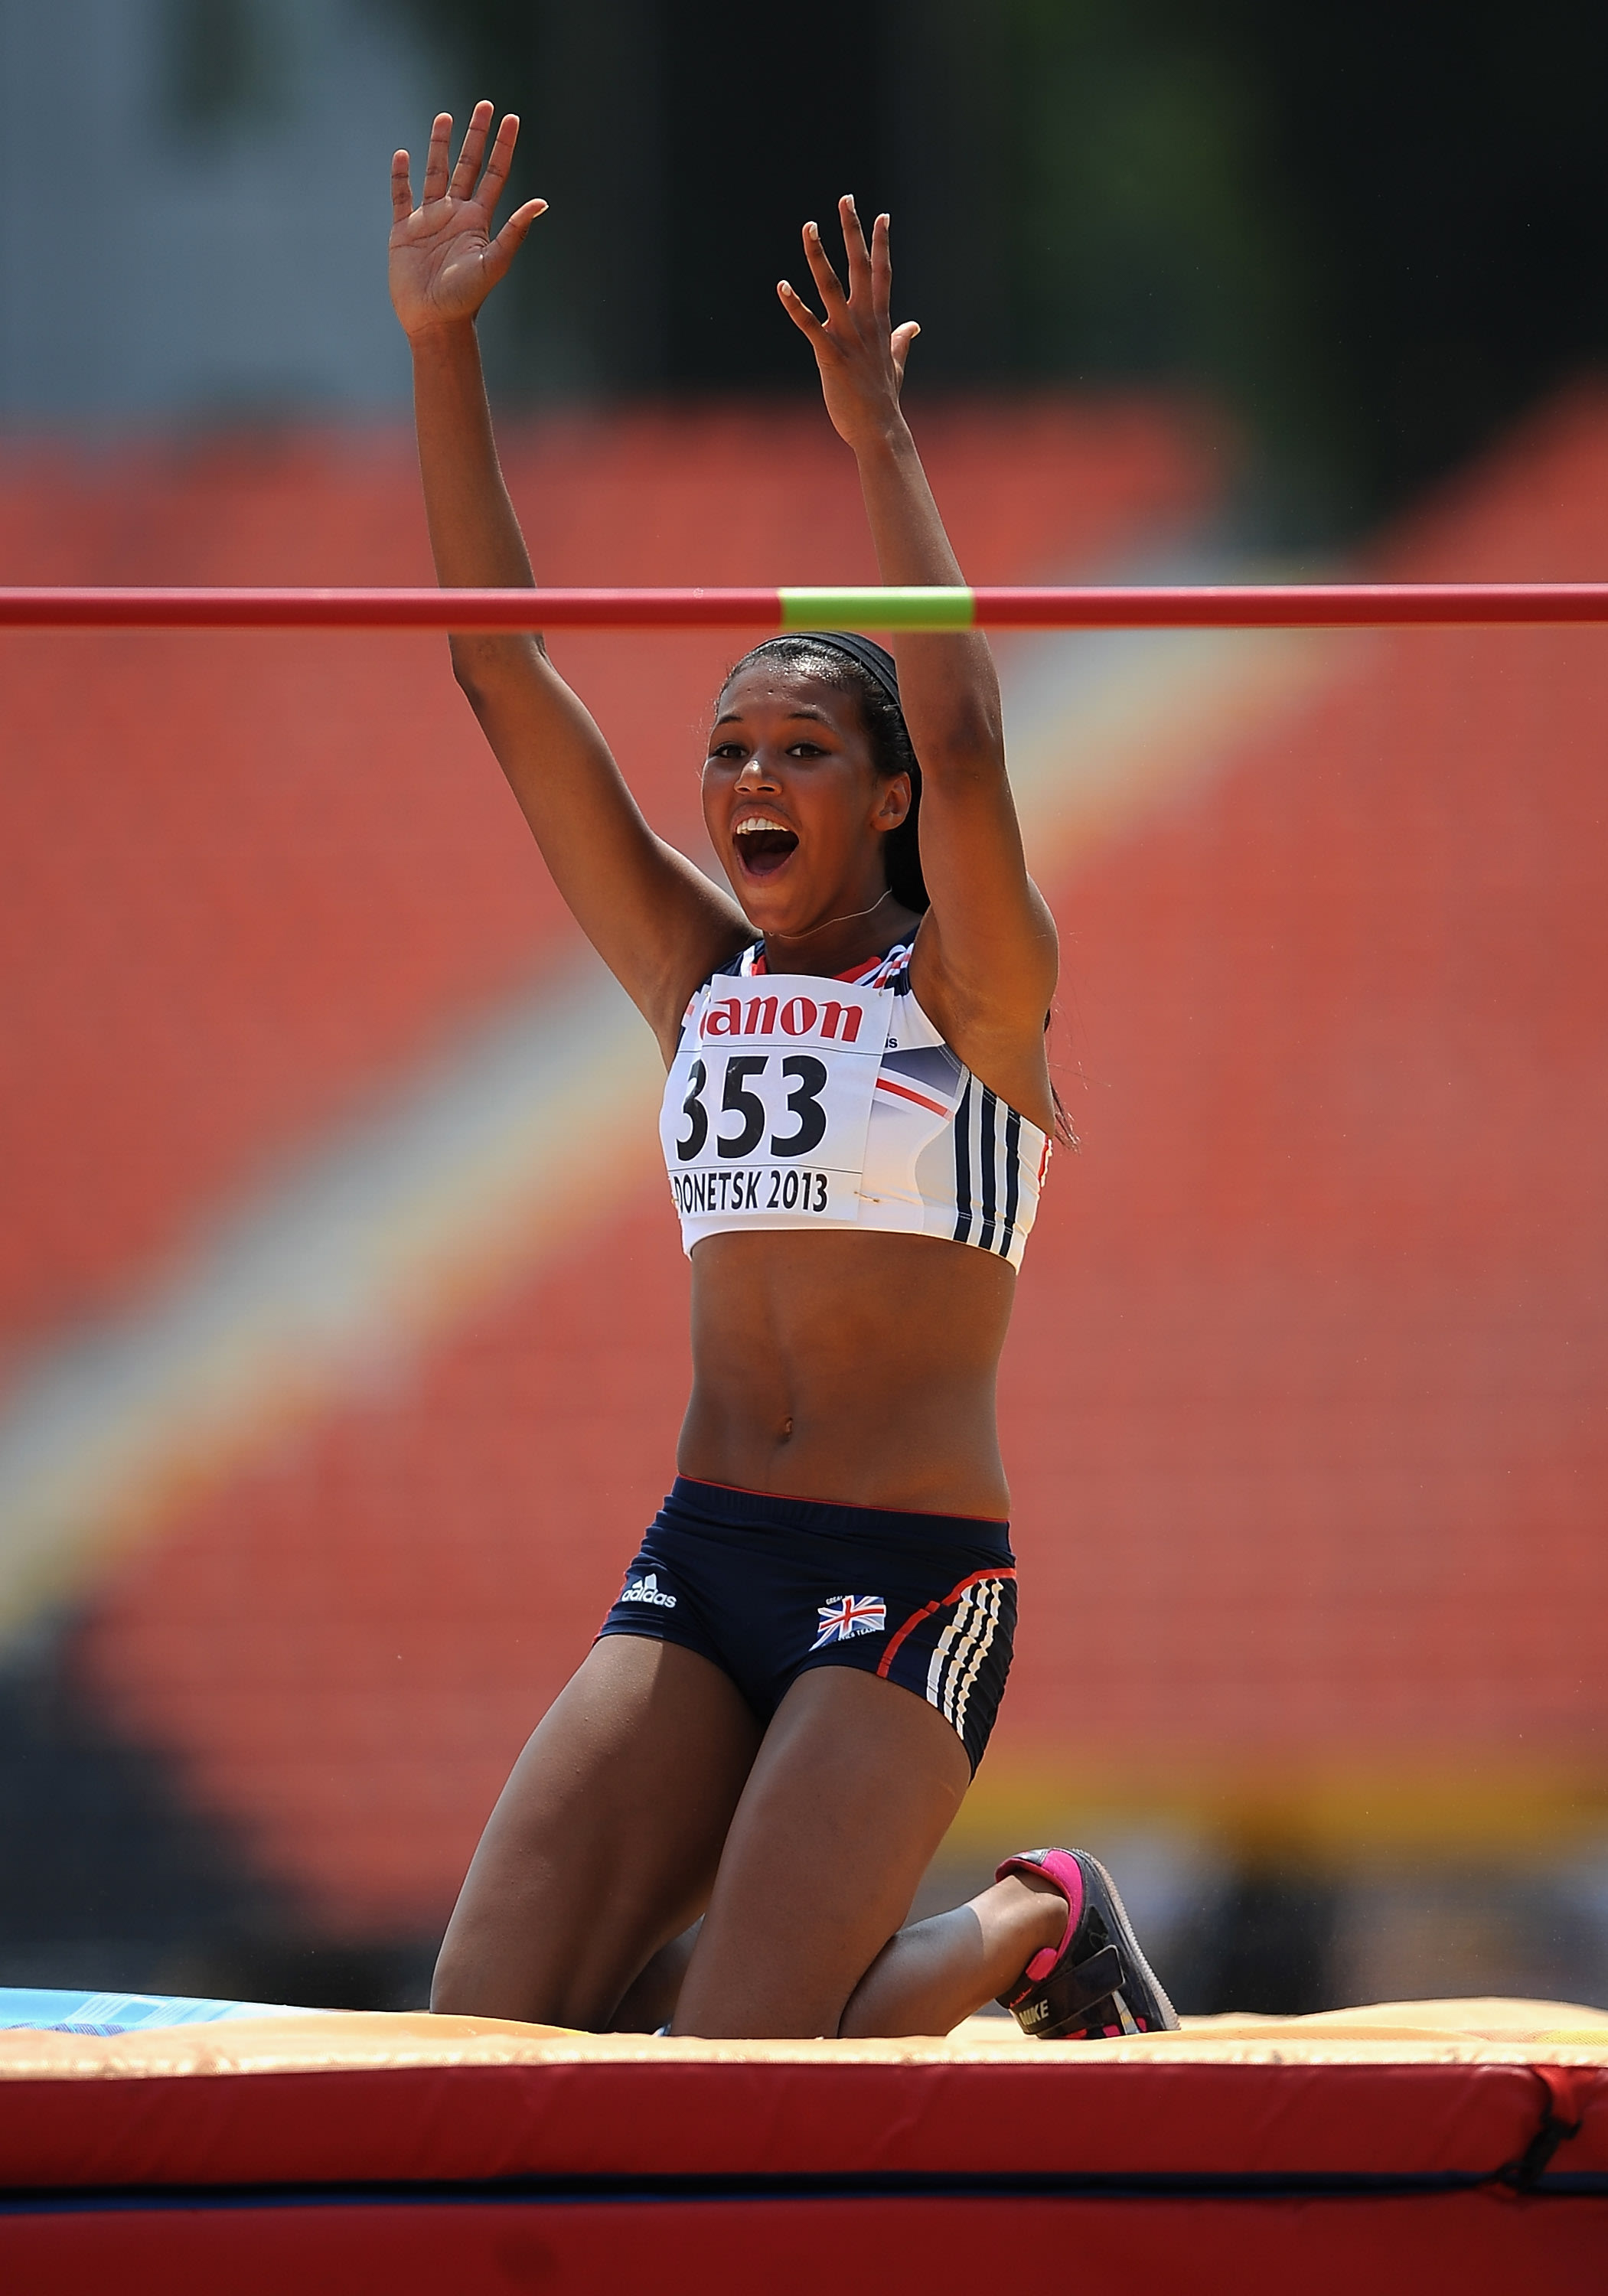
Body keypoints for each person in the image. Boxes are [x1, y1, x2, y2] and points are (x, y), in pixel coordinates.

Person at [388, 101, 1178, 2043]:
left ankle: (1035, 1920)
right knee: (481, 2037)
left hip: (906, 1586)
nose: (749, 775)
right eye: (729, 748)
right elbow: (501, 673)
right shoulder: (696, 973)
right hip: (702, 1554)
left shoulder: (975, 990)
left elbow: (970, 737)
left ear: (884, 799)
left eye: (802, 750)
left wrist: (876, 438)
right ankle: (780, 1989)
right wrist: (442, 348)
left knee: (732, 2075)